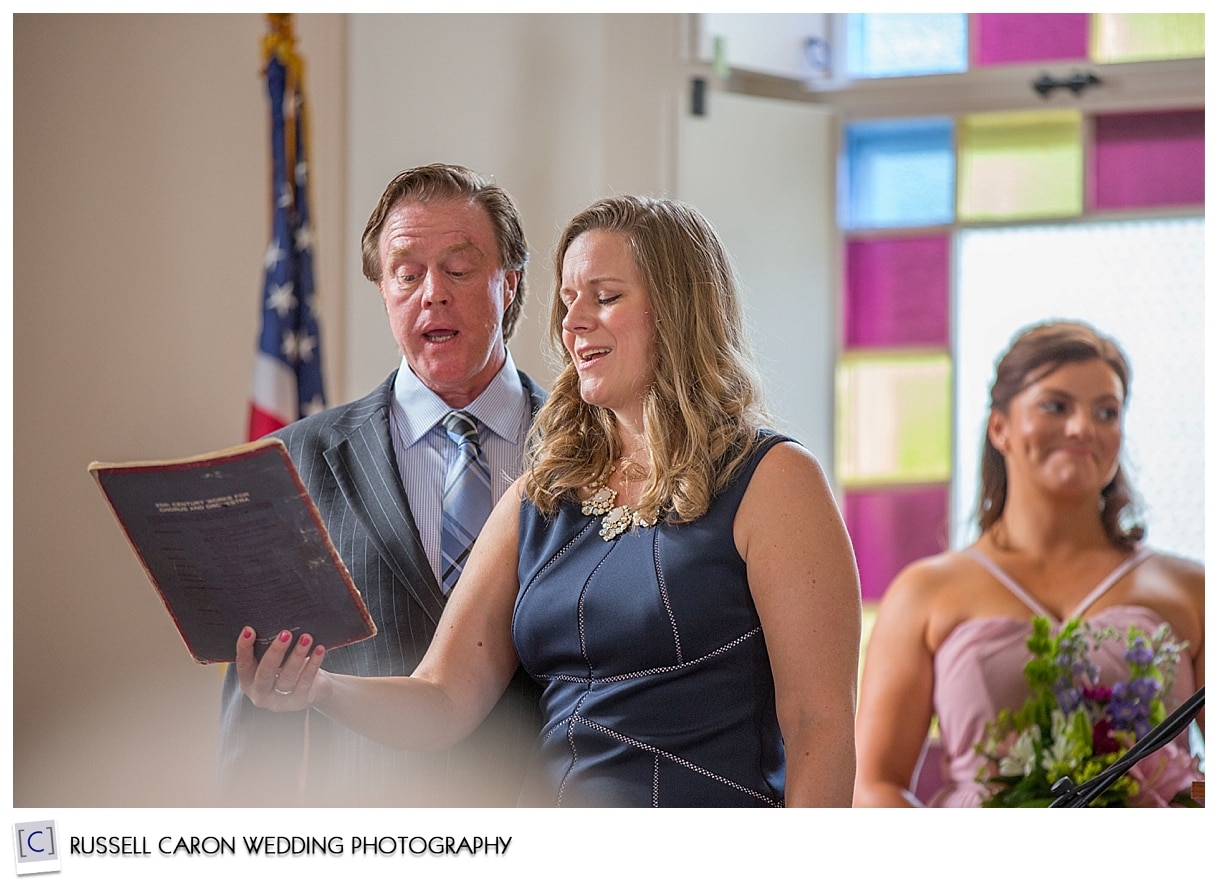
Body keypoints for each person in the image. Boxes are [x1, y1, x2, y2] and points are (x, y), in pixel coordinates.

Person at [233, 194, 862, 807]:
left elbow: (820, 727)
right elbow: (443, 697)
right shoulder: (539, 495)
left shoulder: (773, 479)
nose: (573, 323)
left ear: (679, 311)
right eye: (567, 301)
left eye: (606, 297)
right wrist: (321, 689)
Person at [216, 163, 546, 807]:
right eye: (407, 273)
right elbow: (252, 720)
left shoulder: (591, 448)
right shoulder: (295, 460)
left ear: (509, 282)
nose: (432, 293)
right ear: (383, 291)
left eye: (459, 267)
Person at [853, 320, 1205, 807]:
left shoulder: (1192, 590)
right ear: (1000, 427)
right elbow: (873, 783)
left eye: (1107, 412)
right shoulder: (925, 592)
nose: (1084, 427)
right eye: (1056, 406)